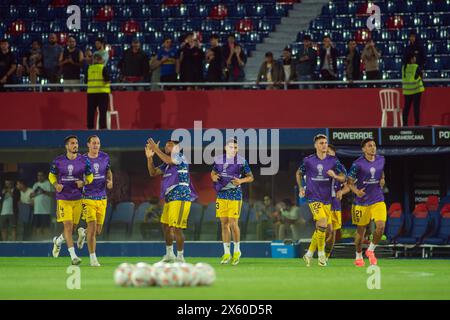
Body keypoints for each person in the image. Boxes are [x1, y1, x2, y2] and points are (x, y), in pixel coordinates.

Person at [296, 134, 347, 267]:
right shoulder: (308, 160)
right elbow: (298, 172)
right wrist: (301, 187)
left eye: (325, 143)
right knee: (323, 222)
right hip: (313, 197)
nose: (324, 145)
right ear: (315, 145)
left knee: (321, 227)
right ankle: (321, 255)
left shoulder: (333, 161)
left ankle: (308, 254)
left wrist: (335, 175)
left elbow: (344, 177)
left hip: (327, 200)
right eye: (321, 143)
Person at [145, 138, 197, 263]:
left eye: (171, 145)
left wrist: (156, 149)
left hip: (181, 197)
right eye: (166, 146)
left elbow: (169, 159)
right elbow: (153, 172)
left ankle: (180, 257)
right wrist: (149, 158)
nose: (167, 147)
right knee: (166, 226)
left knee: (176, 227)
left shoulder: (180, 157)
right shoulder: (167, 164)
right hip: (170, 198)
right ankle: (169, 254)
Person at [49, 135, 94, 265]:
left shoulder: (84, 160)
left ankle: (58, 241)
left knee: (72, 229)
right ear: (67, 146)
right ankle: (73, 256)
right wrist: (56, 185)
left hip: (78, 198)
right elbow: (51, 175)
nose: (75, 146)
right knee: (68, 227)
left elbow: (90, 176)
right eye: (73, 143)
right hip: (63, 198)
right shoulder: (58, 161)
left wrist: (84, 182)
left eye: (77, 143)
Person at [211, 138, 254, 265]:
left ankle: (237, 251)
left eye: (235, 147)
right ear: (225, 147)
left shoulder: (241, 161)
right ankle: (226, 253)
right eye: (231, 147)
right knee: (224, 224)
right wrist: (213, 177)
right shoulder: (219, 160)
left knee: (233, 223)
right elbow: (213, 173)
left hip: (235, 195)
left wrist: (241, 181)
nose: (233, 149)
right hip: (221, 195)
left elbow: (251, 177)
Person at [347, 138, 386, 267]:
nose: (373, 148)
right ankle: (358, 256)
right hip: (361, 202)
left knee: (380, 227)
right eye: (369, 146)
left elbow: (381, 172)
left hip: (378, 199)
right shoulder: (357, 164)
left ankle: (370, 250)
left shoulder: (381, 159)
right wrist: (357, 191)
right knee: (360, 232)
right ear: (363, 149)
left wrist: (382, 179)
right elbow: (349, 182)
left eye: (374, 145)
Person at [77, 135, 113, 267]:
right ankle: (93, 258)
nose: (96, 145)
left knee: (97, 231)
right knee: (92, 229)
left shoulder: (105, 157)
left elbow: (108, 171)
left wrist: (110, 181)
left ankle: (83, 232)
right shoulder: (82, 159)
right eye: (93, 143)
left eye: (98, 143)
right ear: (88, 145)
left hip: (102, 197)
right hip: (88, 197)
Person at [325, 144, 350, 259]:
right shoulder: (319, 167)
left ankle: (327, 255)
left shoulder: (340, 168)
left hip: (335, 203)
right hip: (323, 202)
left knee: (333, 231)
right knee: (326, 228)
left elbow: (348, 186)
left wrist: (341, 192)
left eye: (330, 153)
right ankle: (320, 250)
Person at [86, 52, 111, 130]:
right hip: (102, 92)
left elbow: (86, 80)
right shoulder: (103, 68)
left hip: (91, 93)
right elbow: (107, 80)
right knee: (102, 111)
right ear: (100, 60)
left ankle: (90, 127)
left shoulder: (89, 68)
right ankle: (102, 127)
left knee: (91, 111)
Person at [402, 54, 425, 126]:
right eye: (414, 57)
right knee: (416, 108)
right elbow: (421, 76)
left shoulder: (403, 68)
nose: (415, 59)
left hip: (407, 91)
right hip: (416, 90)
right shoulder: (415, 67)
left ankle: (405, 124)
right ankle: (416, 125)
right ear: (411, 59)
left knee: (406, 108)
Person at [31, 171, 54, 237]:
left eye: (41, 175)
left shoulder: (48, 184)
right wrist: (34, 193)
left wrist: (44, 191)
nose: (39, 177)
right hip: (36, 211)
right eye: (38, 175)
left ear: (44, 176)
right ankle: (39, 240)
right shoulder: (35, 184)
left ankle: (46, 240)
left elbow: (53, 194)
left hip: (45, 211)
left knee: (46, 228)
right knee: (37, 228)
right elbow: (32, 195)